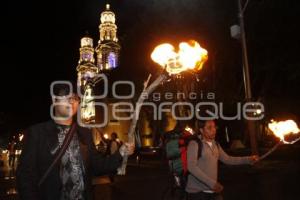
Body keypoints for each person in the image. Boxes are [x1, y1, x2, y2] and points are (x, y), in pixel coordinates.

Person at [16, 83, 134, 200]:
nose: (71, 101)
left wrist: (121, 152)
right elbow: (25, 176)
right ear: (54, 100)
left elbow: (98, 166)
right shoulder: (37, 133)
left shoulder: (84, 133)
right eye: (66, 96)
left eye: (75, 98)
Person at [186, 120, 259, 200]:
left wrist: (248, 159)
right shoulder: (194, 144)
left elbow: (228, 159)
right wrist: (212, 183)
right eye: (209, 128)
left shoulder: (215, 144)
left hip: (212, 191)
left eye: (214, 127)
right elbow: (191, 167)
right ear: (201, 130)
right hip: (197, 193)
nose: (213, 130)